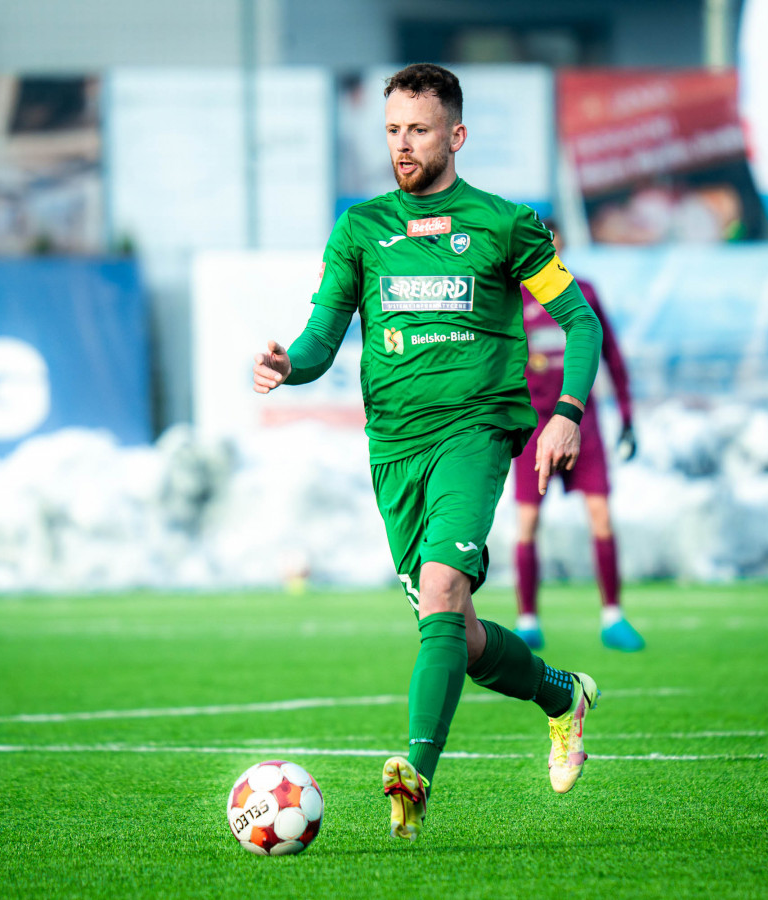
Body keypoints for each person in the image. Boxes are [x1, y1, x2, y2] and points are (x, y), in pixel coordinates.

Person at [251, 63, 603, 842]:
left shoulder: (505, 224)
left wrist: (566, 413)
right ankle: (561, 696)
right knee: (458, 633)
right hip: (394, 450)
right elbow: (320, 341)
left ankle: (416, 777)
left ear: (456, 135)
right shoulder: (360, 229)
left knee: (443, 587)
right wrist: (288, 365)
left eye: (418, 129)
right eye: (392, 130)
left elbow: (581, 322)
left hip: (476, 433)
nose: (402, 145)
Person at [513, 219, 647, 653]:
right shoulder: (513, 297)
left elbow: (612, 356)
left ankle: (613, 616)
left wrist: (627, 417)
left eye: (553, 243)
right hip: (533, 429)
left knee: (601, 515)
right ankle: (527, 620)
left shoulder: (583, 292)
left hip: (581, 426)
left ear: (562, 245)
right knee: (527, 522)